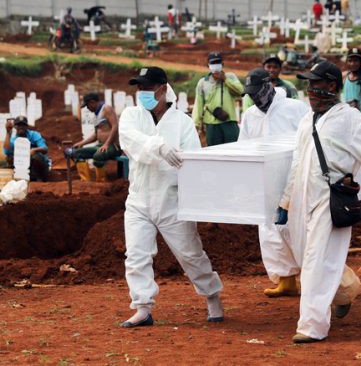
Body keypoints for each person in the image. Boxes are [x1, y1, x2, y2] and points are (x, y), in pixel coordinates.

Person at [277, 61, 361, 343]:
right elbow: (297, 162)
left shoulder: (349, 119)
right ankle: (346, 291)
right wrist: (285, 201)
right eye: (307, 85)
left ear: (331, 86)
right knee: (309, 259)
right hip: (303, 200)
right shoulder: (308, 120)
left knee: (317, 262)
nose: (309, 91)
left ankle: (311, 327)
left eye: (315, 85)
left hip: (332, 199)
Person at [118, 66, 224, 327]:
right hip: (139, 199)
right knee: (136, 254)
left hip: (172, 199)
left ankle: (212, 296)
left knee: (190, 254)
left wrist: (197, 196)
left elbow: (193, 161)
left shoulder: (182, 122)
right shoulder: (132, 115)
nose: (142, 93)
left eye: (147, 87)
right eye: (139, 87)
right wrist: (159, 147)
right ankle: (142, 306)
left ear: (163, 89)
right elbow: (129, 140)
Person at [239, 68, 310, 296]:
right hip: (266, 182)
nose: (254, 98)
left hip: (295, 180)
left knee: (300, 231)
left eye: (257, 92)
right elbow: (244, 147)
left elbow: (310, 140)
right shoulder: (251, 114)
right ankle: (286, 280)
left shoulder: (294, 108)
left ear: (269, 85)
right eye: (250, 94)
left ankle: (315, 283)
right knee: (270, 233)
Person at [193, 52, 244, 146]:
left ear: (222, 64)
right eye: (213, 63)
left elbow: (241, 91)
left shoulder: (231, 77)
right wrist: (196, 124)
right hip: (211, 123)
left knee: (234, 150)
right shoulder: (203, 82)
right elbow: (198, 105)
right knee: (214, 152)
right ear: (208, 65)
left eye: (218, 62)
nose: (215, 66)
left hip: (229, 121)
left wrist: (225, 79)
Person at [71, 92, 121, 182]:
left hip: (113, 146)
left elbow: (115, 126)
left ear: (92, 102)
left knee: (98, 156)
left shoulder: (106, 109)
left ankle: (101, 183)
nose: (87, 108)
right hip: (101, 145)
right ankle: (85, 182)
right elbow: (96, 135)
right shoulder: (96, 114)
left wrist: (106, 144)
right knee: (78, 153)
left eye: (87, 105)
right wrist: (81, 143)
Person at [3, 116, 50, 181]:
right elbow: (7, 152)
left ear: (27, 126)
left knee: (36, 156)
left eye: (23, 125)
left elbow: (45, 149)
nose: (21, 127)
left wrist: (34, 150)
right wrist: (8, 133)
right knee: (10, 158)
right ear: (15, 127)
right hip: (25, 167)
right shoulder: (14, 140)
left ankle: (39, 179)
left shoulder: (34, 135)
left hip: (40, 168)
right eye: (19, 125)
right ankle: (21, 176)